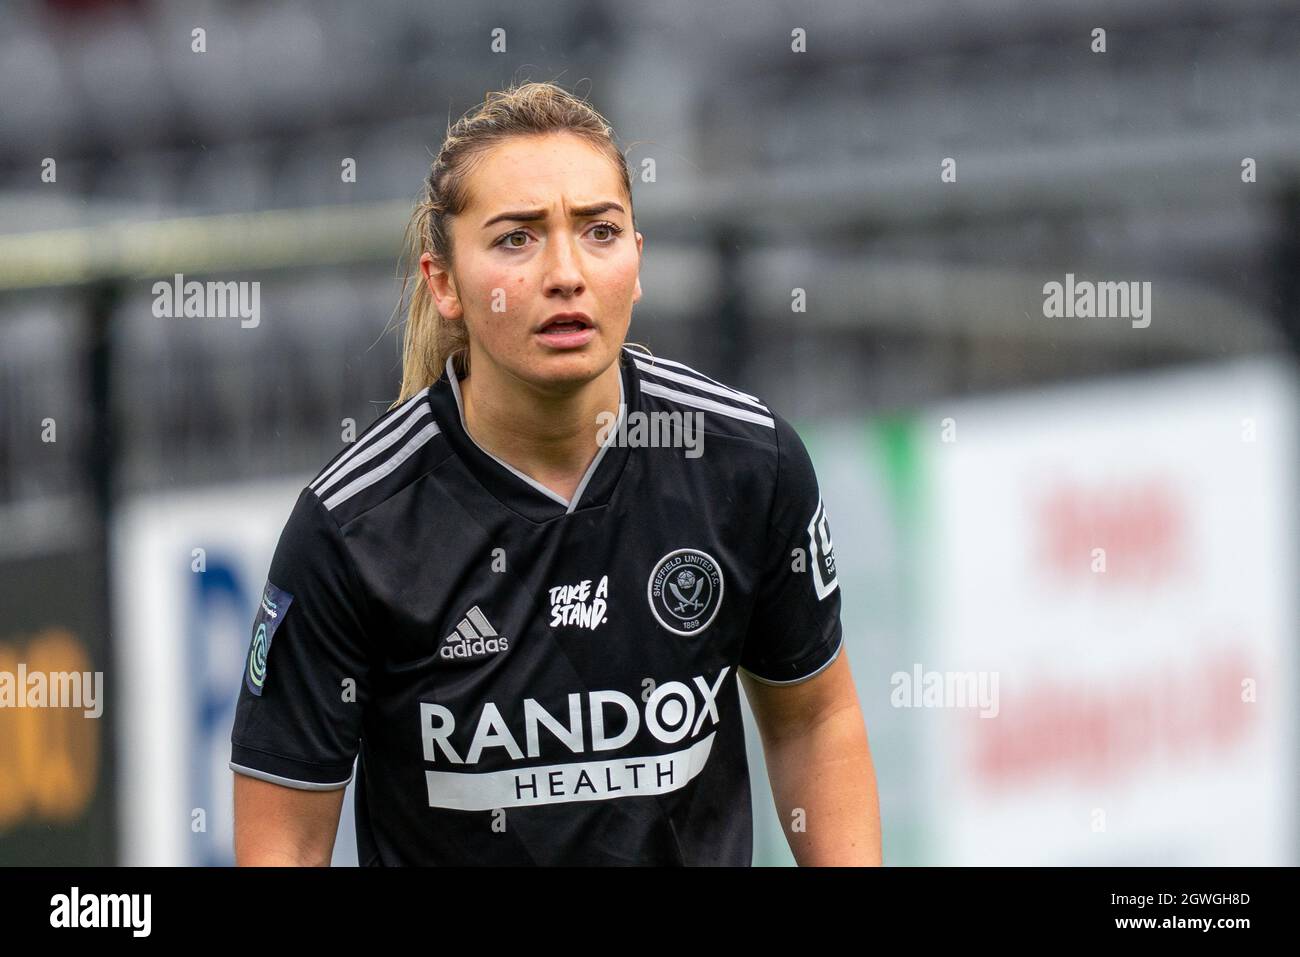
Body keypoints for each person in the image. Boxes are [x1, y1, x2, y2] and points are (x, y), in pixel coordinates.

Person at [229, 81, 881, 866]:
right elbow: (285, 845)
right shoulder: (353, 526)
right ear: (444, 283)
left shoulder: (746, 461)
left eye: (600, 231)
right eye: (516, 239)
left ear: (636, 263)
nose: (566, 272)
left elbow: (814, 717)